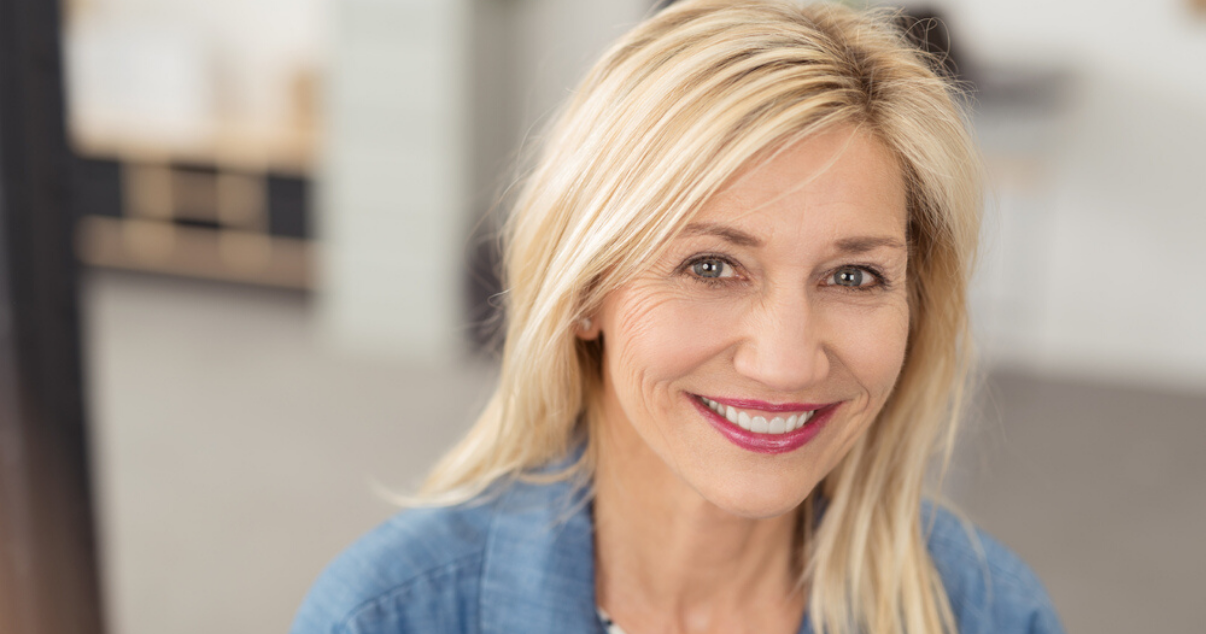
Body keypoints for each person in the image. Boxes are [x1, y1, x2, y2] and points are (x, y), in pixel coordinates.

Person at [292, 1, 1064, 633]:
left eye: (854, 275)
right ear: (585, 291)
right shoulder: (386, 616)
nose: (786, 362)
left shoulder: (991, 611)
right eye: (710, 267)